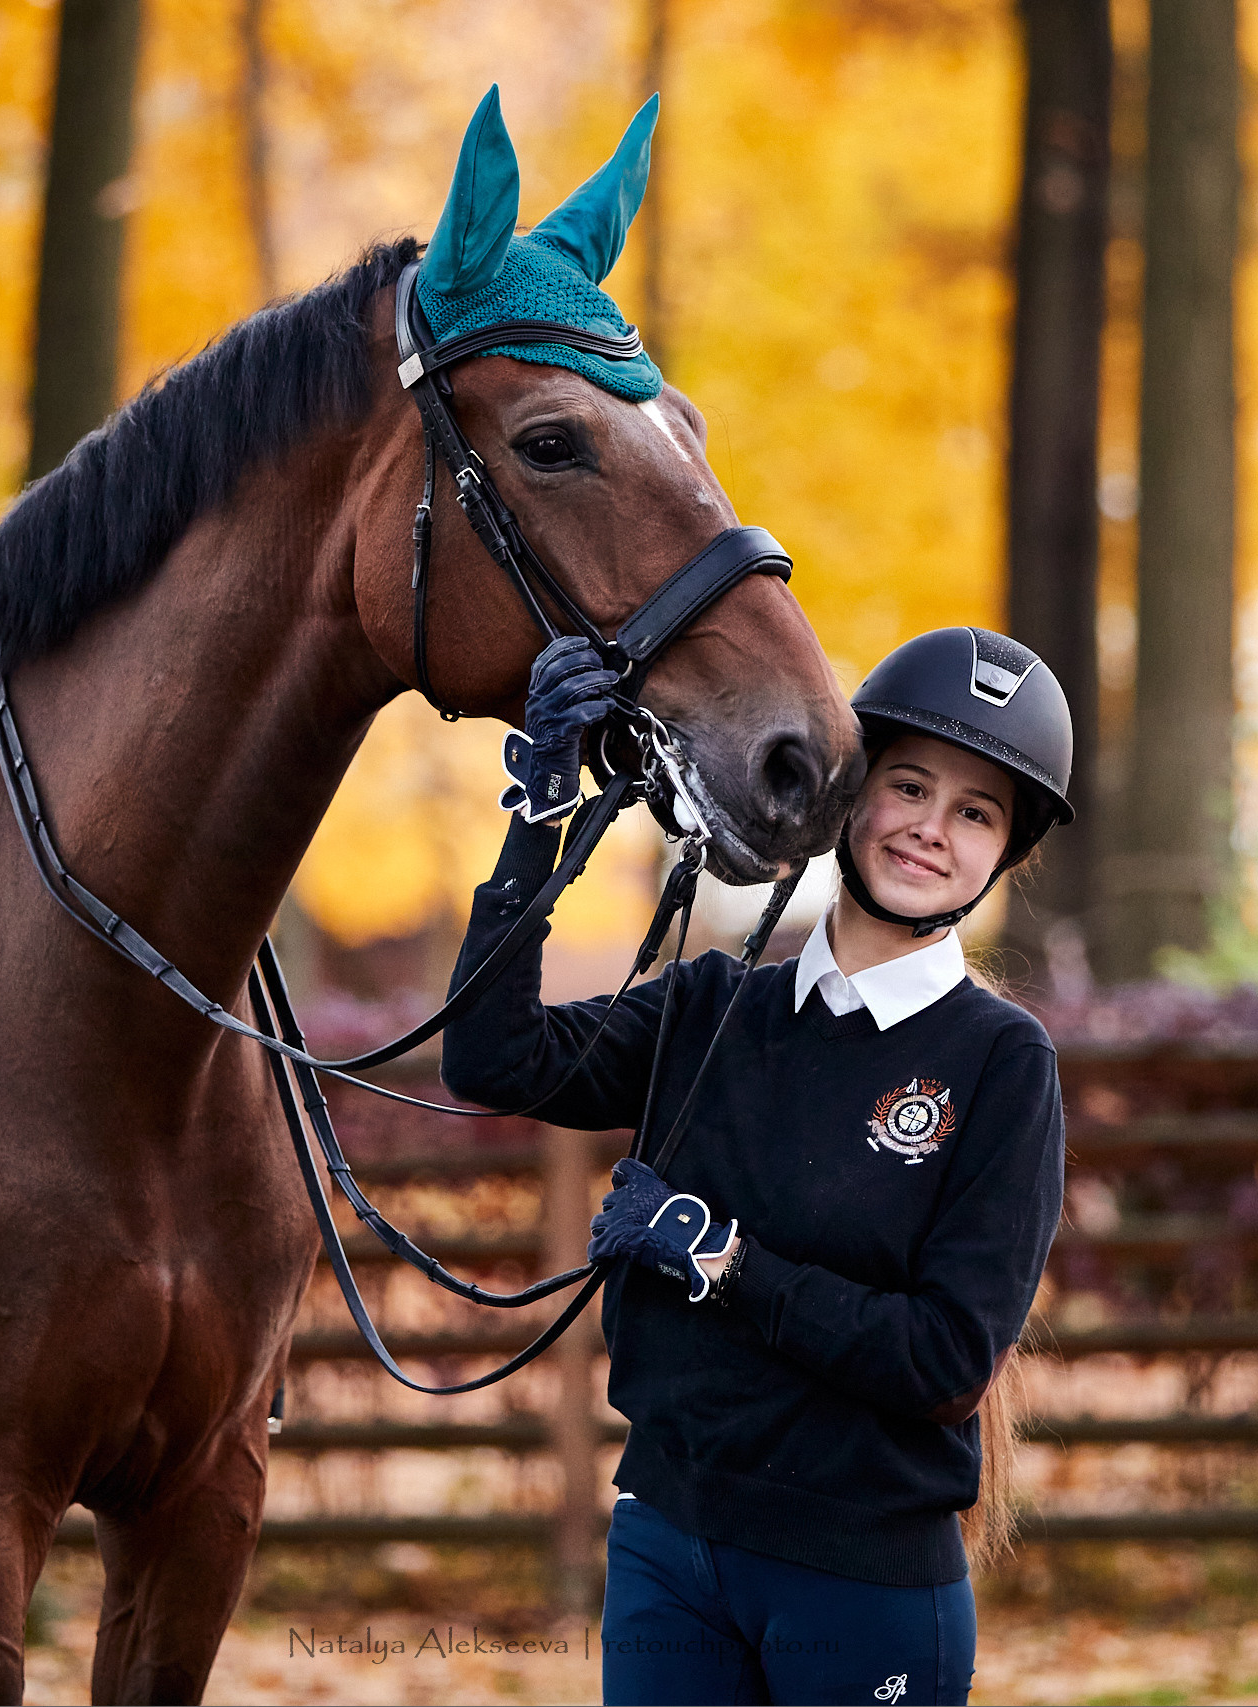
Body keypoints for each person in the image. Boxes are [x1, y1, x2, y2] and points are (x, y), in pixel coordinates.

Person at [441, 626, 1076, 1707]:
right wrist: (539, 828)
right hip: (666, 1546)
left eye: (974, 812)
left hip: (858, 1580)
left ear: (1002, 854)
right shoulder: (713, 1002)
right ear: (849, 794)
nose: (929, 829)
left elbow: (944, 1364)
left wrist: (728, 1264)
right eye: (907, 785)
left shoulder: (1001, 1065)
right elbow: (495, 1060)